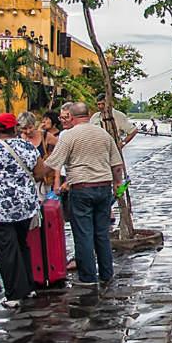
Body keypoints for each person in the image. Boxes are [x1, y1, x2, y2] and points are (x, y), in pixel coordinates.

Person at [0, 113, 53, 308]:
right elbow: (40, 173)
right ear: (15, 128)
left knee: (6, 250)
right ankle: (28, 286)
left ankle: (14, 294)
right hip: (24, 207)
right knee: (22, 245)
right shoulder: (28, 148)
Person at [45, 101, 126, 290]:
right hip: (103, 187)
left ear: (72, 117)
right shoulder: (103, 134)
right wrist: (117, 184)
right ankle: (106, 273)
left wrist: (37, 171)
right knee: (101, 233)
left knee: (83, 234)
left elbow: (54, 162)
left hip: (81, 188)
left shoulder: (69, 136)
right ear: (88, 115)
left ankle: (88, 276)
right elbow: (117, 165)